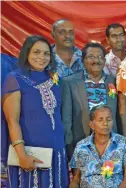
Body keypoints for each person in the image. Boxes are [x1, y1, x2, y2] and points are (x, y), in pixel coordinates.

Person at [2, 35, 68, 187]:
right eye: (36, 52)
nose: (42, 57)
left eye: (46, 53)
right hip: (30, 154)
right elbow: (12, 121)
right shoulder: (15, 78)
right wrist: (22, 155)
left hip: (56, 153)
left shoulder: (54, 79)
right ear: (27, 53)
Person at [62, 42, 118, 159]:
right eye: (91, 57)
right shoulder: (70, 82)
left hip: (110, 144)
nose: (96, 61)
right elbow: (66, 118)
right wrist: (68, 146)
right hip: (81, 143)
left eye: (99, 57)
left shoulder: (114, 81)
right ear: (83, 60)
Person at [69, 105, 126, 188]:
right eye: (100, 120)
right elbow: (76, 179)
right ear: (91, 125)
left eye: (108, 119)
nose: (105, 123)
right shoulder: (81, 146)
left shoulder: (123, 143)